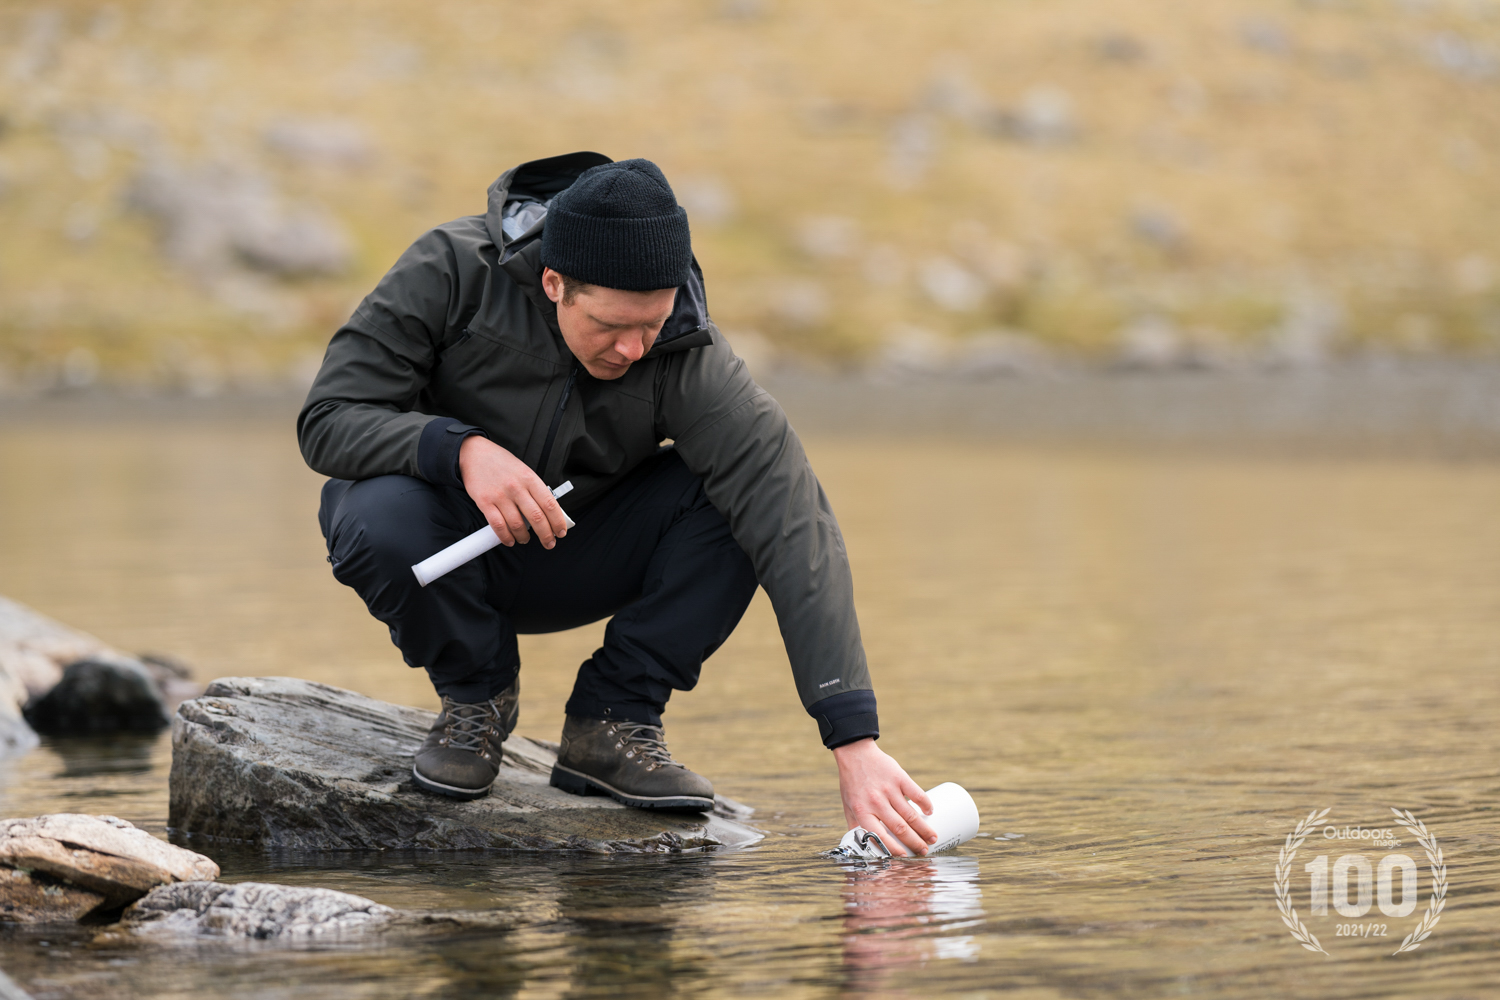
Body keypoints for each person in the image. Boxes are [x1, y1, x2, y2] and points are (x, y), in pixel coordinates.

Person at [298, 152, 938, 856]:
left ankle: (612, 721)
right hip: (448, 552)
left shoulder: (687, 351)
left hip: (577, 554)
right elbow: (328, 417)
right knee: (369, 513)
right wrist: (460, 451)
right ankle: (476, 699)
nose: (633, 349)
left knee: (738, 501)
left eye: (652, 323)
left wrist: (853, 737)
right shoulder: (452, 269)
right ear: (554, 283)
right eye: (610, 325)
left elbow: (793, 521)